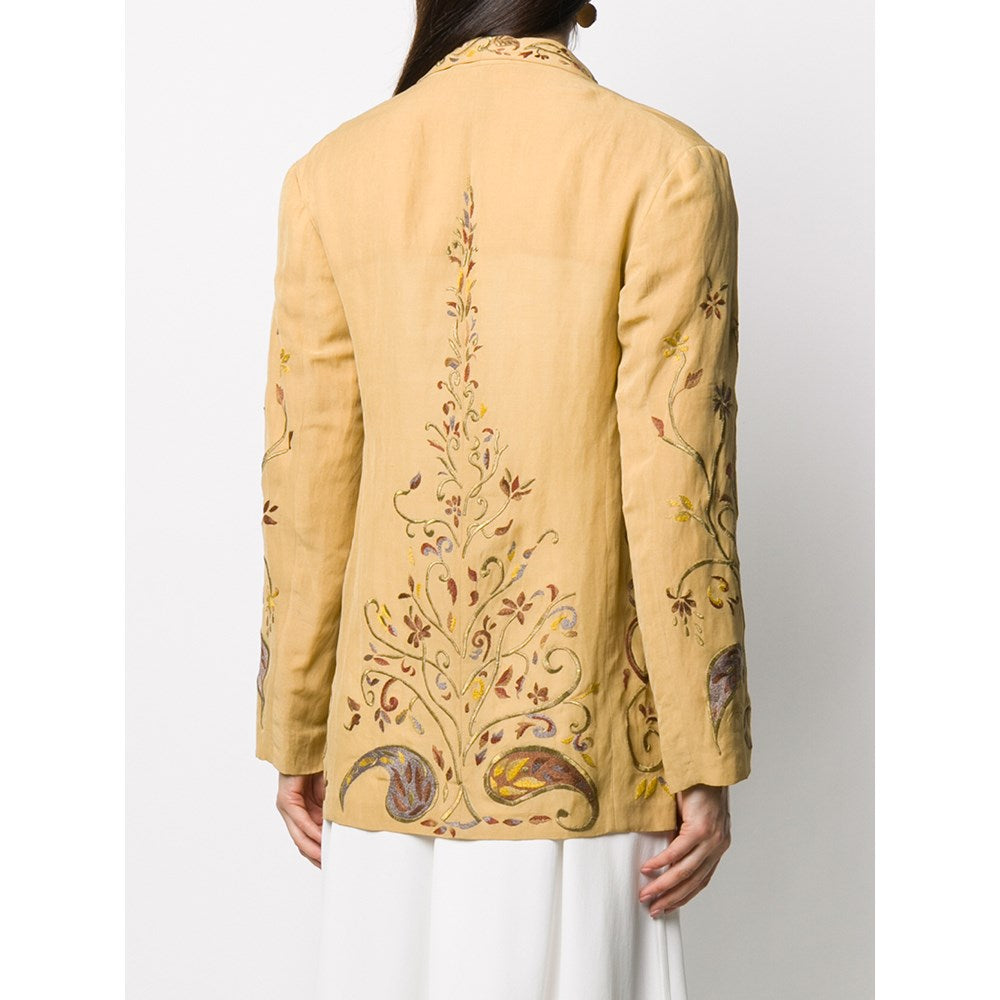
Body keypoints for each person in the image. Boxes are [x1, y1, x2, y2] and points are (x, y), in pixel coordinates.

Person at [255, 3, 753, 997]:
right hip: (583, 744)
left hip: (383, 749)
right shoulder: (666, 166)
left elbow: (308, 473)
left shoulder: (330, 174)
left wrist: (297, 729)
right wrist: (703, 753)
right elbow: (679, 478)